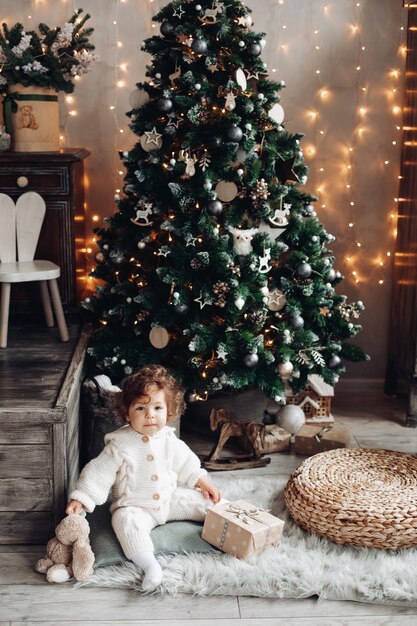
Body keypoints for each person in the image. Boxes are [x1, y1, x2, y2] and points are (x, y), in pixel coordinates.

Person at [66, 364, 221, 590]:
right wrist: (81, 497)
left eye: (158, 407)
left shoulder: (169, 439)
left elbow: (186, 462)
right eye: (140, 408)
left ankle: (236, 518)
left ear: (169, 411)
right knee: (125, 522)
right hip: (135, 506)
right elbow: (99, 471)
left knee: (202, 501)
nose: (150, 415)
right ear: (127, 412)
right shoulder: (119, 444)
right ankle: (150, 565)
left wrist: (202, 481)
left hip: (168, 500)